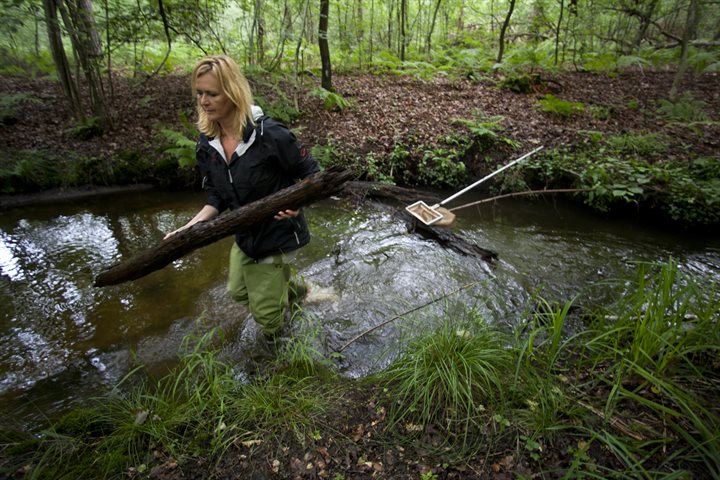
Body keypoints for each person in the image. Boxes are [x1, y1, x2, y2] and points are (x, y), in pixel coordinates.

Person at [165, 54, 319, 343]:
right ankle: (300, 291)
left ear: (233, 92)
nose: (203, 101)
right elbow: (216, 197)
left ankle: (282, 352)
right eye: (199, 93)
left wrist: (297, 204)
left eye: (212, 93)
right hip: (244, 235)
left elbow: (313, 174)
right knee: (238, 291)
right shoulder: (207, 143)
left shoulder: (270, 135)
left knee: (266, 315)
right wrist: (188, 229)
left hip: (278, 232)